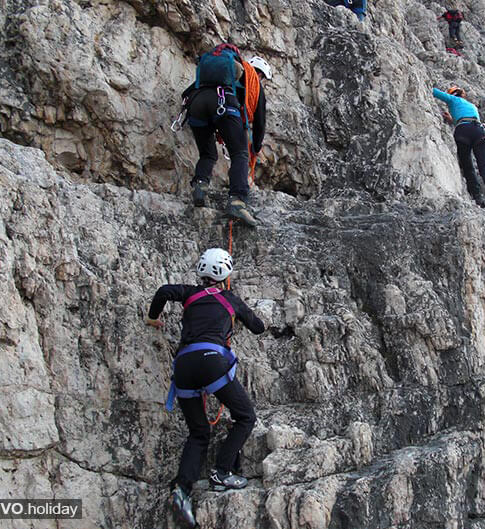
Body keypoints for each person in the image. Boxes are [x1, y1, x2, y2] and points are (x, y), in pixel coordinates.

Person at [145, 248, 265, 527]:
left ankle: (182, 489)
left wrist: (153, 318)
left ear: (201, 272)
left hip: (184, 365)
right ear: (226, 275)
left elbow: (163, 291)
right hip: (212, 361)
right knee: (245, 416)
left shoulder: (188, 293)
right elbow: (258, 327)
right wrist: (239, 317)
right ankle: (222, 471)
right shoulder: (229, 299)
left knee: (199, 432)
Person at [181, 45, 270, 227]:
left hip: (197, 104)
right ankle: (237, 201)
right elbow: (260, 121)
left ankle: (200, 186)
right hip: (223, 104)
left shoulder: (214, 76)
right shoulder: (253, 80)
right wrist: (256, 147)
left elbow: (186, 93)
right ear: (260, 74)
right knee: (240, 154)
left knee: (208, 154)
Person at [432, 85, 485, 208]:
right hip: (479, 131)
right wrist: (452, 119)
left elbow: (434, 92)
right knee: (483, 164)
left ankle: (477, 197)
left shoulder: (453, 100)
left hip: (463, 131)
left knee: (468, 167)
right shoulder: (472, 107)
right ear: (462, 94)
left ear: (452, 94)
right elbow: (466, 119)